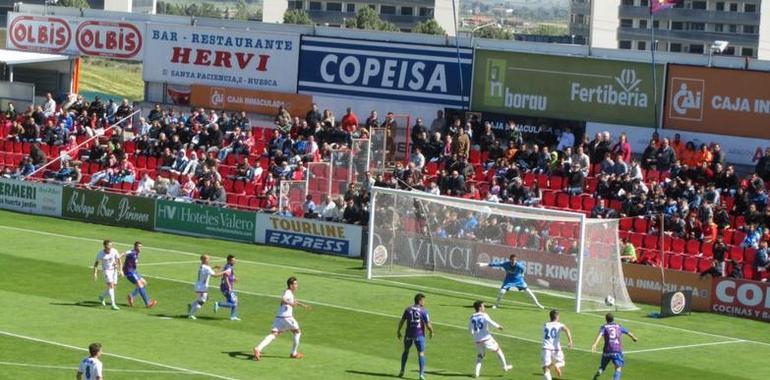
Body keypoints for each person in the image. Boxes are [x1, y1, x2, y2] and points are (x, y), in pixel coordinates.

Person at [254, 276, 311, 360]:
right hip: (287, 317)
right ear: (291, 285)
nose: (297, 285)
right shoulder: (287, 292)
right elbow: (283, 299)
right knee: (297, 332)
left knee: (273, 334)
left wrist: (303, 305)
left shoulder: (290, 293)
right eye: (295, 284)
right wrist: (291, 304)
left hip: (279, 317)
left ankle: (258, 348)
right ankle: (294, 353)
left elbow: (294, 301)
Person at [478, 254, 544, 309]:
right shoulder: (505, 264)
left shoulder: (519, 266)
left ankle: (538, 304)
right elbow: (495, 264)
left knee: (528, 291)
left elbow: (523, 268)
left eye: (514, 260)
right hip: (508, 280)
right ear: (510, 260)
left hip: (518, 280)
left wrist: (522, 274)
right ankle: (496, 305)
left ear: (516, 260)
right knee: (502, 292)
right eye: (512, 260)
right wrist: (484, 264)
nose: (513, 262)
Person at [468, 300, 512, 378]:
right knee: (498, 350)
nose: (484, 307)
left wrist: (474, 335)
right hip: (486, 338)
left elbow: (470, 329)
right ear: (480, 307)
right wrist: (498, 326)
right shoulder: (484, 315)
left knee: (480, 356)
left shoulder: (471, 317)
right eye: (483, 306)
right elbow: (490, 321)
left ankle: (476, 373)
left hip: (477, 339)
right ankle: (505, 367)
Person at [397, 293, 434, 380]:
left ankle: (402, 370)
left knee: (406, 351)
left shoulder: (408, 309)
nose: (424, 302)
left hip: (409, 334)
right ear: (420, 301)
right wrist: (432, 331)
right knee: (421, 353)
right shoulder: (424, 311)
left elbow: (402, 321)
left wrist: (398, 331)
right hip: (419, 335)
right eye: (423, 300)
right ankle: (421, 375)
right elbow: (428, 324)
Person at [591, 313, 638, 380]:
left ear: (606, 319)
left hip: (607, 350)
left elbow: (600, 335)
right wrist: (634, 338)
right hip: (617, 350)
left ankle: (599, 372)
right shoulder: (618, 326)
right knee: (618, 368)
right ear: (613, 319)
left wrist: (595, 344)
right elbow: (628, 333)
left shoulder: (604, 327)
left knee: (602, 367)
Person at [188, 254, 225, 319]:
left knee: (204, 298)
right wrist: (224, 272)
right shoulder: (206, 267)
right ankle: (191, 314)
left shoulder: (202, 266)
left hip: (199, 285)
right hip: (202, 287)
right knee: (202, 301)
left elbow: (207, 271)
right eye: (207, 259)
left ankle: (191, 305)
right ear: (203, 259)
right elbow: (215, 275)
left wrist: (214, 267)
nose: (209, 260)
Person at [122, 241, 157, 309]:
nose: (140, 248)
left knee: (144, 283)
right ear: (135, 247)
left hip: (134, 271)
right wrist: (117, 259)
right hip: (129, 272)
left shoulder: (137, 253)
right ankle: (148, 303)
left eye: (141, 247)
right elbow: (124, 253)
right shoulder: (132, 252)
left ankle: (131, 296)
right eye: (139, 246)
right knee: (140, 284)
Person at [542, 309, 573, 380]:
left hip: (546, 348)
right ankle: (556, 365)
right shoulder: (560, 325)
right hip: (556, 349)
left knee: (546, 369)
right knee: (562, 362)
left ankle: (553, 366)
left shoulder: (545, 325)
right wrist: (570, 341)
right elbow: (567, 330)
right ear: (557, 317)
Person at [92, 240, 121, 310]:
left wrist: (121, 270)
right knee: (111, 285)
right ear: (104, 246)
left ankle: (102, 296)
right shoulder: (100, 253)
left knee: (113, 287)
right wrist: (95, 273)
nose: (110, 247)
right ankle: (113, 304)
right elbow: (96, 264)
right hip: (106, 271)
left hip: (114, 270)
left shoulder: (114, 251)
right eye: (109, 245)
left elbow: (119, 259)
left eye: (111, 245)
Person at [214, 255, 240, 321]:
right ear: (228, 261)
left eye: (234, 260)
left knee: (235, 300)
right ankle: (219, 304)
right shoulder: (228, 267)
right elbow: (225, 278)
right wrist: (229, 287)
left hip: (225, 287)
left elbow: (230, 276)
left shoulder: (229, 266)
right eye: (233, 260)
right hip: (226, 287)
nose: (234, 261)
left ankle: (233, 316)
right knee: (234, 303)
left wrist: (234, 279)